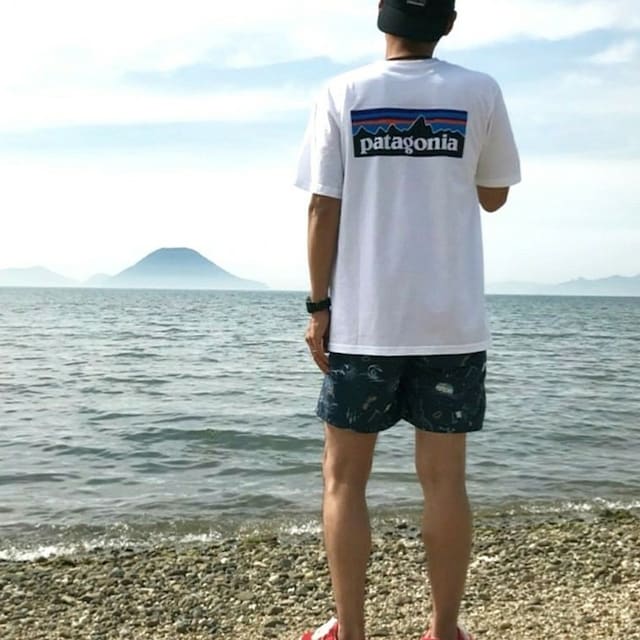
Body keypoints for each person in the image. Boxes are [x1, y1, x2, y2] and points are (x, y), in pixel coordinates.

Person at [295, 1, 521, 639]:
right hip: (451, 323)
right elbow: (494, 195)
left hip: (364, 322)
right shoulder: (480, 91)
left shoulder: (342, 92)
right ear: (448, 24)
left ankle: (351, 632)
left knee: (344, 480)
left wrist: (318, 306)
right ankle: (444, 630)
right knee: (445, 482)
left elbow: (322, 207)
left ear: (381, 17)